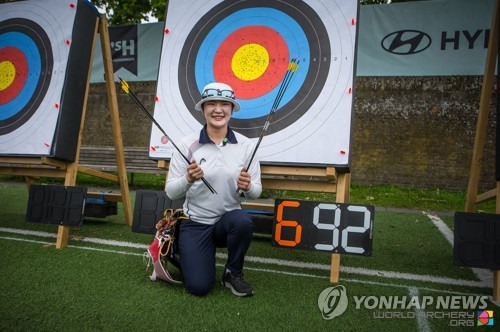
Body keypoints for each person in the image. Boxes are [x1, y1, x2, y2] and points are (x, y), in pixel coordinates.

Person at [165, 82, 262, 297]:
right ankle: (186, 252)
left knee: (242, 221)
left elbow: (256, 191)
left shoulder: (246, 145)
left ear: (231, 108)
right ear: (203, 109)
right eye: (212, 104)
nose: (218, 109)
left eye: (224, 104)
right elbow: (171, 192)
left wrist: (248, 187)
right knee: (198, 287)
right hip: (195, 223)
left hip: (227, 224)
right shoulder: (187, 144)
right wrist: (188, 178)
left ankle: (232, 272)